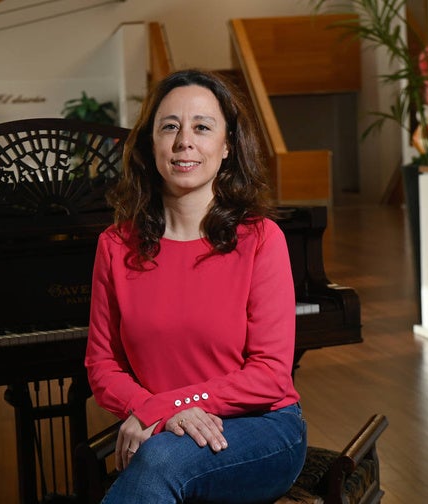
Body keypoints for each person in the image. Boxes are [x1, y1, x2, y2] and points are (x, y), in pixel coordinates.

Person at [84, 69, 307, 503]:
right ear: (152, 145)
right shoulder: (115, 245)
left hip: (263, 428)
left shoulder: (260, 239)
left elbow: (270, 375)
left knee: (162, 460)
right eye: (170, 126)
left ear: (227, 146)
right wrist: (167, 415)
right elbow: (102, 365)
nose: (185, 140)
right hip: (165, 430)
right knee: (164, 457)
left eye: (202, 127)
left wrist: (160, 408)